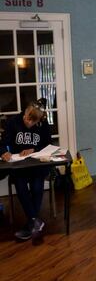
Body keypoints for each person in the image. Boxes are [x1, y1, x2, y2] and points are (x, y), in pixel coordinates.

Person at [0, 98, 51, 242]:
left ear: (38, 120)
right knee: (21, 185)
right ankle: (35, 221)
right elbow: (3, 143)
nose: (29, 122)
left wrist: (34, 148)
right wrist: (3, 151)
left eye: (33, 121)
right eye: (28, 118)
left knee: (37, 185)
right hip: (19, 166)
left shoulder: (43, 124)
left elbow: (48, 145)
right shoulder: (13, 122)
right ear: (26, 110)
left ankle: (31, 223)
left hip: (36, 164)